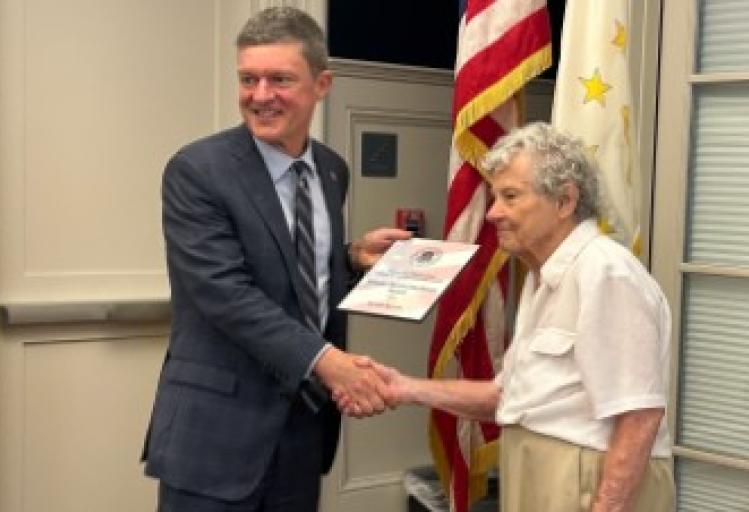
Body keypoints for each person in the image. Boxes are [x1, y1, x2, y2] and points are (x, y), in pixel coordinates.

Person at [141, 7, 408, 511]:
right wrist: (331, 363)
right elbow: (225, 293)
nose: (261, 96)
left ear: (321, 83)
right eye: (249, 79)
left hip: (303, 428)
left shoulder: (332, 170)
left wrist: (349, 258)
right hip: (216, 436)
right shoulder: (197, 170)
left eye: (280, 79)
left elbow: (292, 270)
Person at [348, 122, 675, 512]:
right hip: (538, 468)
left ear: (565, 201)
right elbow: (506, 396)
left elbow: (639, 415)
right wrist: (404, 388)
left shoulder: (605, 272)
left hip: (587, 475)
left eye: (510, 197)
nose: (492, 214)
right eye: (493, 197)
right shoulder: (542, 276)